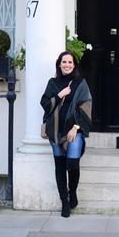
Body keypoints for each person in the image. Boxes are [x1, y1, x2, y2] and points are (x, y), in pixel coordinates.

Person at [40, 51, 92, 218]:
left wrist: (75, 127)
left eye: (70, 62)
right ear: (59, 64)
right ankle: (64, 202)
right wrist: (59, 95)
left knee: (72, 163)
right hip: (55, 131)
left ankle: (73, 192)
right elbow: (45, 104)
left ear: (74, 65)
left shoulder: (80, 83)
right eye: (64, 62)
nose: (67, 65)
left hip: (73, 130)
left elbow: (86, 107)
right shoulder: (53, 83)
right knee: (60, 166)